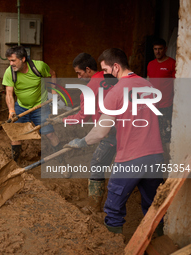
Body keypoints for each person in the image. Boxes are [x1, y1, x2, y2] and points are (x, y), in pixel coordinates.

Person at [64, 48, 164, 234]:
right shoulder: (148, 86)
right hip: (155, 156)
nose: (104, 75)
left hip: (130, 158)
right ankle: (156, 244)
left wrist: (83, 141)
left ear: (116, 67)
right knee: (154, 206)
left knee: (114, 209)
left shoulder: (116, 92)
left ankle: (114, 247)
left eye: (105, 70)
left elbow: (101, 132)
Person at [50, 53, 117, 212]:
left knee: (97, 164)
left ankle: (94, 206)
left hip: (109, 132)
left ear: (88, 70)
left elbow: (81, 117)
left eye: (79, 73)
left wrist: (62, 120)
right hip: (125, 128)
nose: (78, 77)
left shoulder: (89, 89)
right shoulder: (109, 76)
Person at [2, 45, 60, 163]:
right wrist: (11, 110)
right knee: (15, 136)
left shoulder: (39, 67)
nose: (11, 64)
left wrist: (54, 92)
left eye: (13, 60)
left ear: (23, 59)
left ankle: (61, 160)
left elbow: (53, 74)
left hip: (41, 106)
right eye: (9, 61)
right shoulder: (9, 72)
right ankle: (16, 163)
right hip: (21, 106)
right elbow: (9, 94)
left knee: (49, 134)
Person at [147, 38, 176, 144]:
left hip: (166, 105)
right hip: (153, 104)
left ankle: (165, 159)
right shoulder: (150, 64)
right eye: (155, 49)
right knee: (152, 133)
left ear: (165, 49)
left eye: (160, 49)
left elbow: (176, 84)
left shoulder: (172, 63)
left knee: (165, 134)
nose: (157, 52)